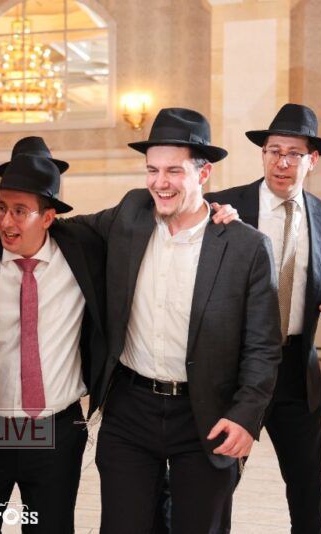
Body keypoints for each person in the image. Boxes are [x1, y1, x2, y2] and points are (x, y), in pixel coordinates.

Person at [66, 108, 282, 532]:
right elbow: (65, 230)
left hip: (207, 412)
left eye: (174, 171)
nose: (159, 182)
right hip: (130, 408)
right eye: (152, 170)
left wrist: (246, 416)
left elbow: (263, 346)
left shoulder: (246, 246)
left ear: (204, 174)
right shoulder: (130, 213)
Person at [206, 103, 321, 534]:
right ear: (263, 154)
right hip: (234, 369)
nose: (282, 163)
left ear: (313, 160)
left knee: (307, 487)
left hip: (295, 372)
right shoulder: (223, 206)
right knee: (215, 484)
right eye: (274, 151)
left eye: (293, 154)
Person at [0, 144, 107, 533]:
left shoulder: (82, 250)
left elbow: (141, 215)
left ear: (49, 217)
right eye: (1, 208)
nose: (6, 220)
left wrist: (214, 211)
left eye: (20, 211)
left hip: (56, 428)